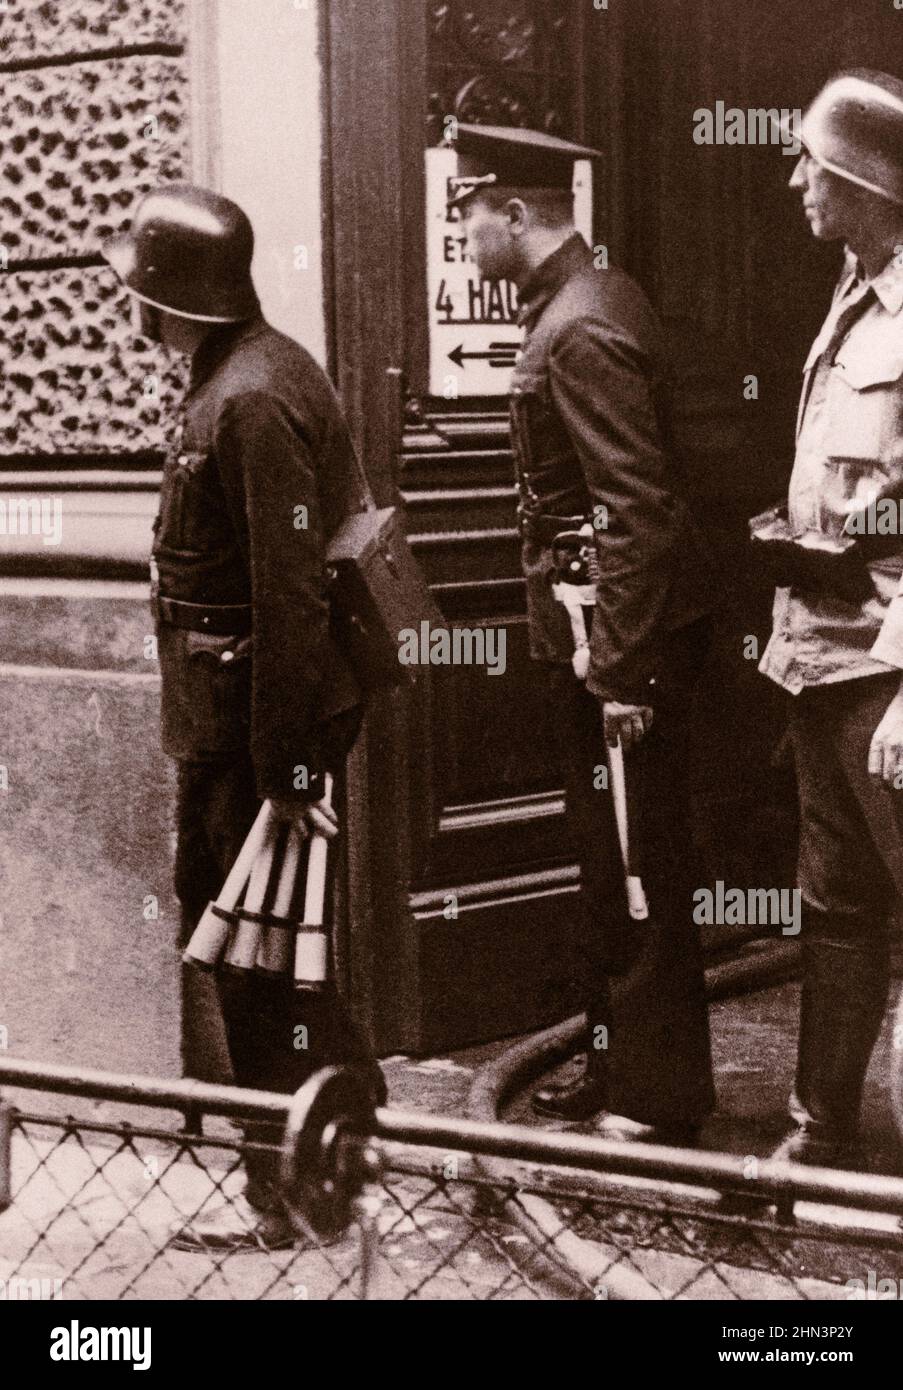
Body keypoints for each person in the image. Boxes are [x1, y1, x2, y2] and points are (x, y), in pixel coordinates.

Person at [103, 184, 384, 1248]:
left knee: (262, 967)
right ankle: (331, 1159)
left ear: (176, 295)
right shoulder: (246, 374)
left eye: (143, 289)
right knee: (261, 959)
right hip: (237, 723)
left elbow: (289, 595)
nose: (136, 309)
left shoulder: (251, 398)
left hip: (253, 732)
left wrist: (287, 769)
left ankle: (303, 1192)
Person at [452, 126, 716, 1143]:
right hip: (592, 633)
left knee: (636, 858)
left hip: (615, 642)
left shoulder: (582, 326)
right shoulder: (581, 303)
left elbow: (635, 508)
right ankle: (618, 1066)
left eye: (468, 210)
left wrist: (623, 672)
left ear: (516, 214)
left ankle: (655, 1096)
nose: (464, 229)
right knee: (609, 862)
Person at [757, 71, 903, 1167]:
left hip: (888, 666)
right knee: (839, 900)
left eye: (813, 162)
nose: (798, 178)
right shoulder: (857, 290)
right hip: (823, 650)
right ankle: (823, 1133)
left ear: (863, 180)